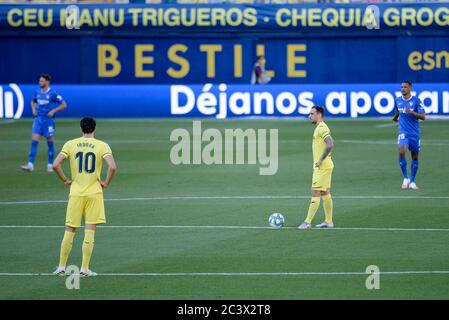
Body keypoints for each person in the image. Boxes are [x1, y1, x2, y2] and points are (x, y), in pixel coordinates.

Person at [52, 117, 117, 277]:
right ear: (94, 128)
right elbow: (113, 167)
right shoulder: (102, 145)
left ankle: (61, 267)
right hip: (94, 192)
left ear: (81, 129)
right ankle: (84, 269)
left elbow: (55, 164)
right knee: (90, 230)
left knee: (70, 229)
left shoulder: (70, 144)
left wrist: (66, 180)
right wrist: (105, 183)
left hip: (75, 192)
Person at [21, 74, 67, 173]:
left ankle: (50, 165)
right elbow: (33, 101)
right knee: (34, 142)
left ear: (47, 82)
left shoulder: (53, 93)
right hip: (38, 120)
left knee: (50, 143)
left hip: (48, 121)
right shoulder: (37, 92)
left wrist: (53, 111)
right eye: (39, 81)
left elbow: (64, 105)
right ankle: (30, 165)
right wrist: (33, 109)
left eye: (42, 81)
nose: (40, 82)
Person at [299, 106, 335, 230]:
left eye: (312, 114)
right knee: (325, 192)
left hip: (322, 167)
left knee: (315, 191)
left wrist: (320, 160)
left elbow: (330, 143)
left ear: (319, 114)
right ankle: (329, 221)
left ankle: (307, 222)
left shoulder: (322, 128)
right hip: (325, 166)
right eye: (309, 114)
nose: (310, 116)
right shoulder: (319, 128)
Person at [392, 80, 426, 190]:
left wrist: (412, 112)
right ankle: (405, 178)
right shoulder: (398, 100)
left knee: (414, 156)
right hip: (403, 132)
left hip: (414, 133)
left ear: (410, 88)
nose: (403, 89)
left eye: (405, 87)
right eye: (401, 87)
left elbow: (423, 116)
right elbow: (399, 111)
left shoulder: (416, 101)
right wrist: (395, 118)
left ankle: (412, 181)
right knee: (401, 151)